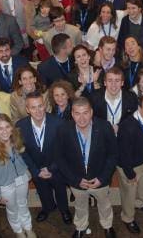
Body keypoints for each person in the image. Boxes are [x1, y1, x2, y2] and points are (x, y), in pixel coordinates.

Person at [55, 97, 118, 238]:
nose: (81, 118)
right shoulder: (64, 130)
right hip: (77, 180)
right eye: (77, 113)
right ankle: (81, 226)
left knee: (105, 204)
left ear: (91, 113)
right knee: (80, 205)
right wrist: (74, 179)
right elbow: (59, 158)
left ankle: (107, 225)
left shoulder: (104, 127)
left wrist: (102, 178)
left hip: (100, 178)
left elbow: (113, 155)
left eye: (85, 113)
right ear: (72, 114)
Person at [16, 91, 72, 224]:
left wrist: (52, 168)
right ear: (27, 109)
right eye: (33, 107)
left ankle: (64, 210)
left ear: (45, 105)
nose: (38, 110)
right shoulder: (20, 126)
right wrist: (36, 171)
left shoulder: (59, 123)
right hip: (36, 168)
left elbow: (65, 150)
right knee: (42, 191)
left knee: (60, 190)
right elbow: (22, 151)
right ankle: (47, 208)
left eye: (40, 106)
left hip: (56, 167)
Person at [0, 114, 36, 237]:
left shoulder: (16, 141)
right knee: (12, 209)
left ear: (12, 128)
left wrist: (26, 171)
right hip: (6, 186)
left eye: (7, 127)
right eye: (0, 128)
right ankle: (18, 230)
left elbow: (23, 159)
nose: (4, 131)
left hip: (21, 179)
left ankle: (28, 227)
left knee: (23, 203)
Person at [117, 94, 143, 232]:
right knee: (129, 193)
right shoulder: (127, 126)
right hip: (128, 165)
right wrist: (130, 174)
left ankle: (141, 203)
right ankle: (128, 218)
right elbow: (123, 154)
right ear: (139, 108)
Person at [91, 67, 139, 134]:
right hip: (102, 135)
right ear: (105, 83)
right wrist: (106, 128)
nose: (113, 84)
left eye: (117, 81)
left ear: (122, 83)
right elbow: (93, 119)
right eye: (110, 81)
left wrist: (120, 127)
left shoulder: (131, 98)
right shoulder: (95, 97)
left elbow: (134, 118)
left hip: (124, 135)